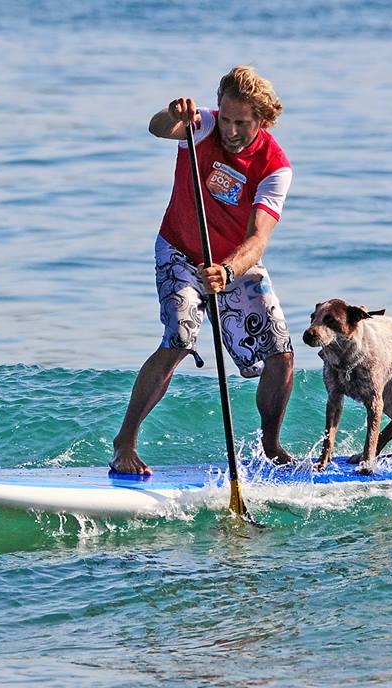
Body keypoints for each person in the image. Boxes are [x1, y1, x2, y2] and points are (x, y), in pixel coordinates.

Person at [110, 65, 296, 475]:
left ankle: (270, 445)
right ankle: (125, 443)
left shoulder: (275, 167)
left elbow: (258, 239)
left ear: (262, 120)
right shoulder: (202, 127)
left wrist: (228, 271)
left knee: (281, 354)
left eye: (241, 123)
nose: (230, 130)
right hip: (178, 251)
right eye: (226, 119)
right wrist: (172, 114)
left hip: (234, 262)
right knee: (179, 337)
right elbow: (158, 128)